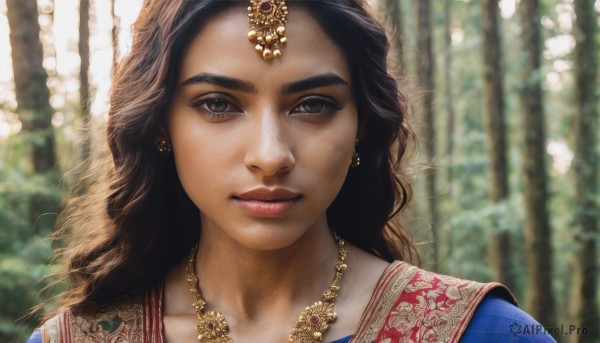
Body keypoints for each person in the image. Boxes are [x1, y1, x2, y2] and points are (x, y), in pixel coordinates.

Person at [28, 0, 556, 342]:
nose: (271, 154)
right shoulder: (80, 338)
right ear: (161, 126)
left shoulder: (482, 332)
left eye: (313, 105)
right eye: (217, 104)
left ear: (362, 128)